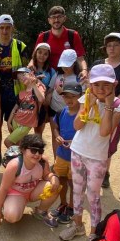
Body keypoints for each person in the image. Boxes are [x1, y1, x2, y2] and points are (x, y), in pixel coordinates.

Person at [60, 64, 120, 241]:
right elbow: (77, 126)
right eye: (96, 84)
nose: (101, 89)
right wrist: (87, 106)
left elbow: (104, 131)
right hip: (78, 150)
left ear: (115, 84)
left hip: (97, 158)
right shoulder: (86, 98)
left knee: (93, 195)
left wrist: (108, 106)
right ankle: (77, 225)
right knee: (77, 191)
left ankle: (94, 233)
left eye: (106, 85)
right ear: (90, 84)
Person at [93, 33, 120, 189]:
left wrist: (111, 104)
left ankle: (105, 172)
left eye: (116, 45)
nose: (112, 48)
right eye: (109, 45)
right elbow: (92, 87)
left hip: (114, 107)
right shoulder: (98, 63)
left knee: (108, 141)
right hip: (96, 106)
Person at [0, 134, 60, 226]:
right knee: (11, 216)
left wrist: (53, 177)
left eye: (40, 151)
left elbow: (46, 174)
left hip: (33, 191)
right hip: (16, 193)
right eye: (33, 150)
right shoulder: (14, 165)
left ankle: (41, 211)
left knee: (55, 186)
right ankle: (11, 204)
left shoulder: (42, 161)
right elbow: (3, 189)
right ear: (23, 150)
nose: (37, 154)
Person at [0, 14, 29, 125]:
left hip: (15, 91)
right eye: (2, 27)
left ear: (12, 28)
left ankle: (14, 143)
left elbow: (26, 69)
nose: (4, 31)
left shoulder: (20, 46)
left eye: (8, 27)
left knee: (15, 124)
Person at [48, 82, 82, 224]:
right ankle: (63, 204)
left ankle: (72, 208)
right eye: (66, 96)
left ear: (80, 97)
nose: (69, 100)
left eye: (73, 96)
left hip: (77, 157)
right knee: (61, 180)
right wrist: (57, 136)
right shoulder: (61, 112)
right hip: (62, 155)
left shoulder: (83, 114)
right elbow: (55, 127)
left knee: (73, 183)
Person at [47, 48, 83, 157]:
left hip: (72, 112)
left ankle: (71, 160)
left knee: (72, 135)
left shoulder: (79, 77)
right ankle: (57, 159)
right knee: (56, 135)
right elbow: (50, 89)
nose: (65, 67)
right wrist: (48, 96)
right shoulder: (57, 75)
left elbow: (83, 95)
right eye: (63, 65)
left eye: (68, 65)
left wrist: (62, 92)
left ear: (74, 63)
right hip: (55, 110)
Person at [34, 5, 88, 76]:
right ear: (49, 20)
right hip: (47, 76)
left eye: (59, 17)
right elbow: (34, 57)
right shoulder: (43, 36)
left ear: (64, 18)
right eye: (53, 17)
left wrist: (84, 70)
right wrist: (31, 65)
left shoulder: (73, 35)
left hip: (68, 76)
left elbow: (80, 58)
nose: (56, 20)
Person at [4, 68, 45, 148]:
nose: (21, 78)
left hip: (26, 124)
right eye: (19, 78)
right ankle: (21, 159)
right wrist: (9, 122)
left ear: (31, 74)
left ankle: (17, 158)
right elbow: (15, 108)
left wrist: (34, 85)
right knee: (18, 144)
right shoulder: (22, 92)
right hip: (15, 120)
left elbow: (41, 99)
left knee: (7, 142)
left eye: (23, 75)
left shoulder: (39, 87)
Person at [31, 42, 57, 137]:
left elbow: (51, 88)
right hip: (29, 104)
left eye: (45, 54)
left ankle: (38, 150)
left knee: (38, 132)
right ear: (35, 53)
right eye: (40, 52)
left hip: (43, 105)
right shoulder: (29, 68)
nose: (42, 55)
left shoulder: (51, 71)